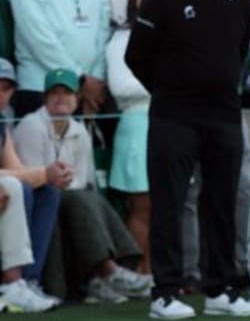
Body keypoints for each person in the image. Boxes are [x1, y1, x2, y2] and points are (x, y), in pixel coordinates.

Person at [125, 0, 250, 319]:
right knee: (168, 203)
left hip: (223, 116)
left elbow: (239, 51)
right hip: (174, 115)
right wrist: (170, 88)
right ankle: (165, 292)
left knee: (222, 203)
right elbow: (137, 56)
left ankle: (220, 288)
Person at [12, 68, 151, 303]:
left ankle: (102, 277)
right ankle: (109, 271)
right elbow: (33, 180)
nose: (61, 98)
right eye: (54, 93)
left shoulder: (79, 132)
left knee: (88, 196)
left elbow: (85, 180)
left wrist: (67, 183)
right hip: (40, 200)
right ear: (45, 99)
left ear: (77, 99)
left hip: (67, 198)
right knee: (79, 197)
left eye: (67, 93)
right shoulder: (30, 126)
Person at [0, 58, 66, 312]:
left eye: (7, 88)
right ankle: (12, 282)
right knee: (17, 187)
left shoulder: (2, 125)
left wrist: (52, 173)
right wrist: (42, 172)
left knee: (46, 191)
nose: (2, 94)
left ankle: (28, 281)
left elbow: (15, 168)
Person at [107, 0, 161, 274]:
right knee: (142, 207)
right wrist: (166, 83)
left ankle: (155, 271)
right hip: (136, 125)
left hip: (165, 122)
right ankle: (140, 272)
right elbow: (121, 86)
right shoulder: (122, 38)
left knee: (162, 207)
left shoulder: (171, 34)